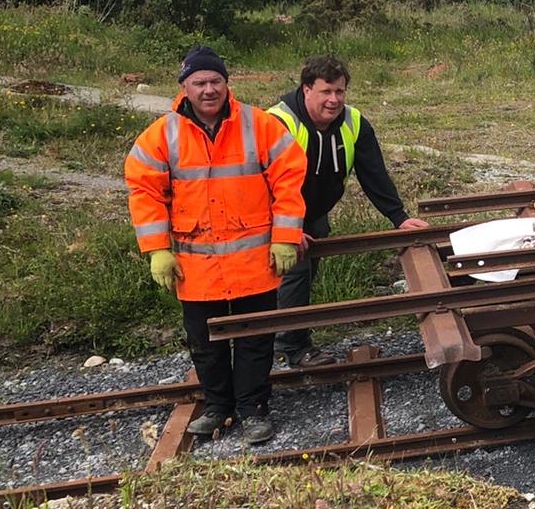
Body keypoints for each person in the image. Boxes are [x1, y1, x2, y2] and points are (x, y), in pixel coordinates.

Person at [125, 46, 306, 445]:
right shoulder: (162, 133)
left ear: (227, 84)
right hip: (197, 265)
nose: (209, 90)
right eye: (200, 83)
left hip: (254, 261)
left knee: (255, 340)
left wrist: (285, 238)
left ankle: (254, 410)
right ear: (184, 87)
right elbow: (143, 190)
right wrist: (157, 249)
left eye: (215, 81)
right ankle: (217, 407)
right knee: (205, 343)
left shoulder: (258, 125)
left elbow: (289, 181)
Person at [267, 54, 430, 367]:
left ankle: (277, 337)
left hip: (313, 212)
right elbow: (260, 182)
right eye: (326, 91)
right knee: (294, 272)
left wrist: (399, 217)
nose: (333, 99)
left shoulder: (354, 123)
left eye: (339, 91)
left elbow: (374, 174)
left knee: (303, 272)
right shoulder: (278, 123)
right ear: (306, 90)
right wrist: (285, 228)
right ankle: (292, 347)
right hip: (273, 212)